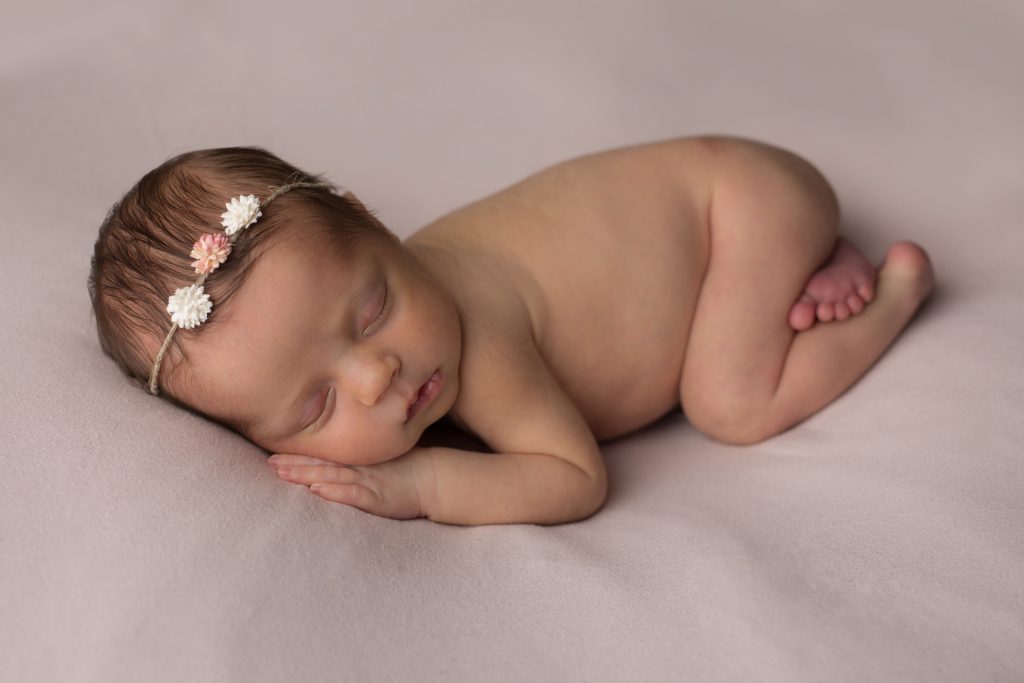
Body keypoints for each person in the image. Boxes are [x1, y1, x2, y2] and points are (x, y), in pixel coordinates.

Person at [88, 136, 934, 526]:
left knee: (729, 402)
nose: (378, 373)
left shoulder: (474, 335)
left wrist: (420, 487)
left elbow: (572, 477)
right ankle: (803, 270)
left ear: (372, 221)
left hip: (738, 208)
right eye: (315, 406)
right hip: (723, 208)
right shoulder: (383, 310)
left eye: (374, 310)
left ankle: (891, 291)